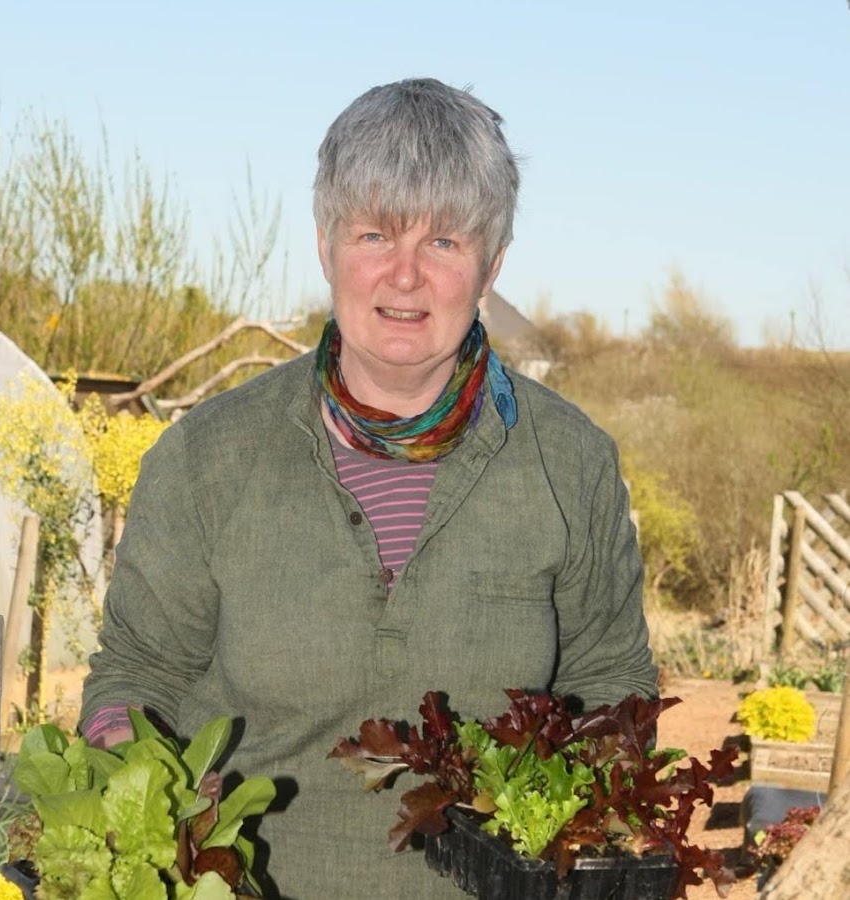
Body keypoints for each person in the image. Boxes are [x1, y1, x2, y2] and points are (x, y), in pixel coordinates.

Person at [80, 77, 658, 899]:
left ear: (492, 266)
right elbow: (137, 675)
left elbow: (612, 682)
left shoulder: (571, 462)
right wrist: (130, 773)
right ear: (326, 246)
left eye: (445, 241)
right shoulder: (208, 456)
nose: (405, 276)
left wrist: (599, 819)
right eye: (375, 234)